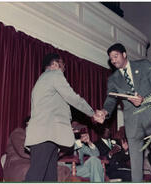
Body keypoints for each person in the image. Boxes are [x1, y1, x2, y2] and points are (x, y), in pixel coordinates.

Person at [94, 43, 151, 182]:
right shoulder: (113, 79)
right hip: (132, 124)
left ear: (124, 54)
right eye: (111, 58)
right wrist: (104, 112)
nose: (113, 60)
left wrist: (145, 100)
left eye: (116, 56)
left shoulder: (144, 65)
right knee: (135, 163)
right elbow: (110, 101)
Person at [24, 53, 100, 181]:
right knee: (36, 177)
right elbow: (72, 97)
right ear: (54, 64)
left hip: (47, 136)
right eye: (63, 65)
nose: (64, 69)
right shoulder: (55, 75)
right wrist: (92, 113)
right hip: (46, 136)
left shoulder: (41, 81)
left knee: (49, 177)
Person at [3, 117, 70, 182]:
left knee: (61, 170)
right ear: (28, 123)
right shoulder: (18, 132)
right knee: (34, 171)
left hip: (37, 163)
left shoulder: (41, 139)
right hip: (19, 163)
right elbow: (22, 151)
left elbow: (53, 154)